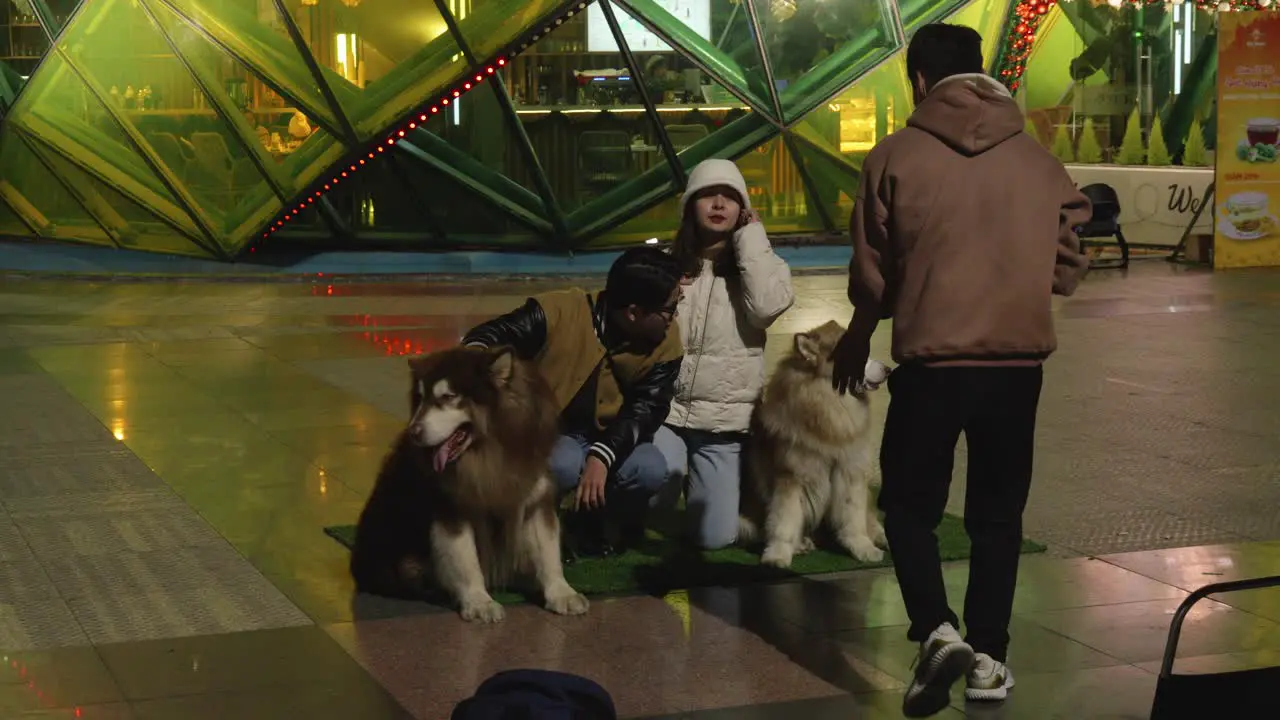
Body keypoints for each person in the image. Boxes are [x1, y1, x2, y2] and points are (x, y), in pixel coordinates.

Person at [829, 24, 1091, 718]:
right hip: (1016, 366)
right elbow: (1067, 266)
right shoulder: (1038, 162)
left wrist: (858, 336)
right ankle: (990, 660)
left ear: (916, 81)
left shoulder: (894, 156)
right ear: (982, 73)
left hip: (932, 366)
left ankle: (938, 630)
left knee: (910, 508)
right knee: (998, 515)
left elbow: (873, 274)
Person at [461, 247, 684, 556]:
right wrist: (472, 366)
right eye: (670, 308)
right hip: (551, 434)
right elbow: (490, 335)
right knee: (562, 462)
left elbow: (646, 410)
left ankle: (601, 522)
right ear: (634, 312)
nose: (674, 317)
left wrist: (602, 456)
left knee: (650, 468)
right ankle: (536, 528)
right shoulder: (560, 310)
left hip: (610, 437)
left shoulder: (667, 342)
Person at [652, 159, 795, 549]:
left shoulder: (764, 268)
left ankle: (695, 485)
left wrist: (751, 239)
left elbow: (765, 309)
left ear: (744, 210)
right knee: (651, 484)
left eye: (731, 197)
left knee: (716, 538)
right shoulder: (665, 265)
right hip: (666, 413)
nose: (718, 204)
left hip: (722, 424)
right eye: (707, 195)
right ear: (689, 206)